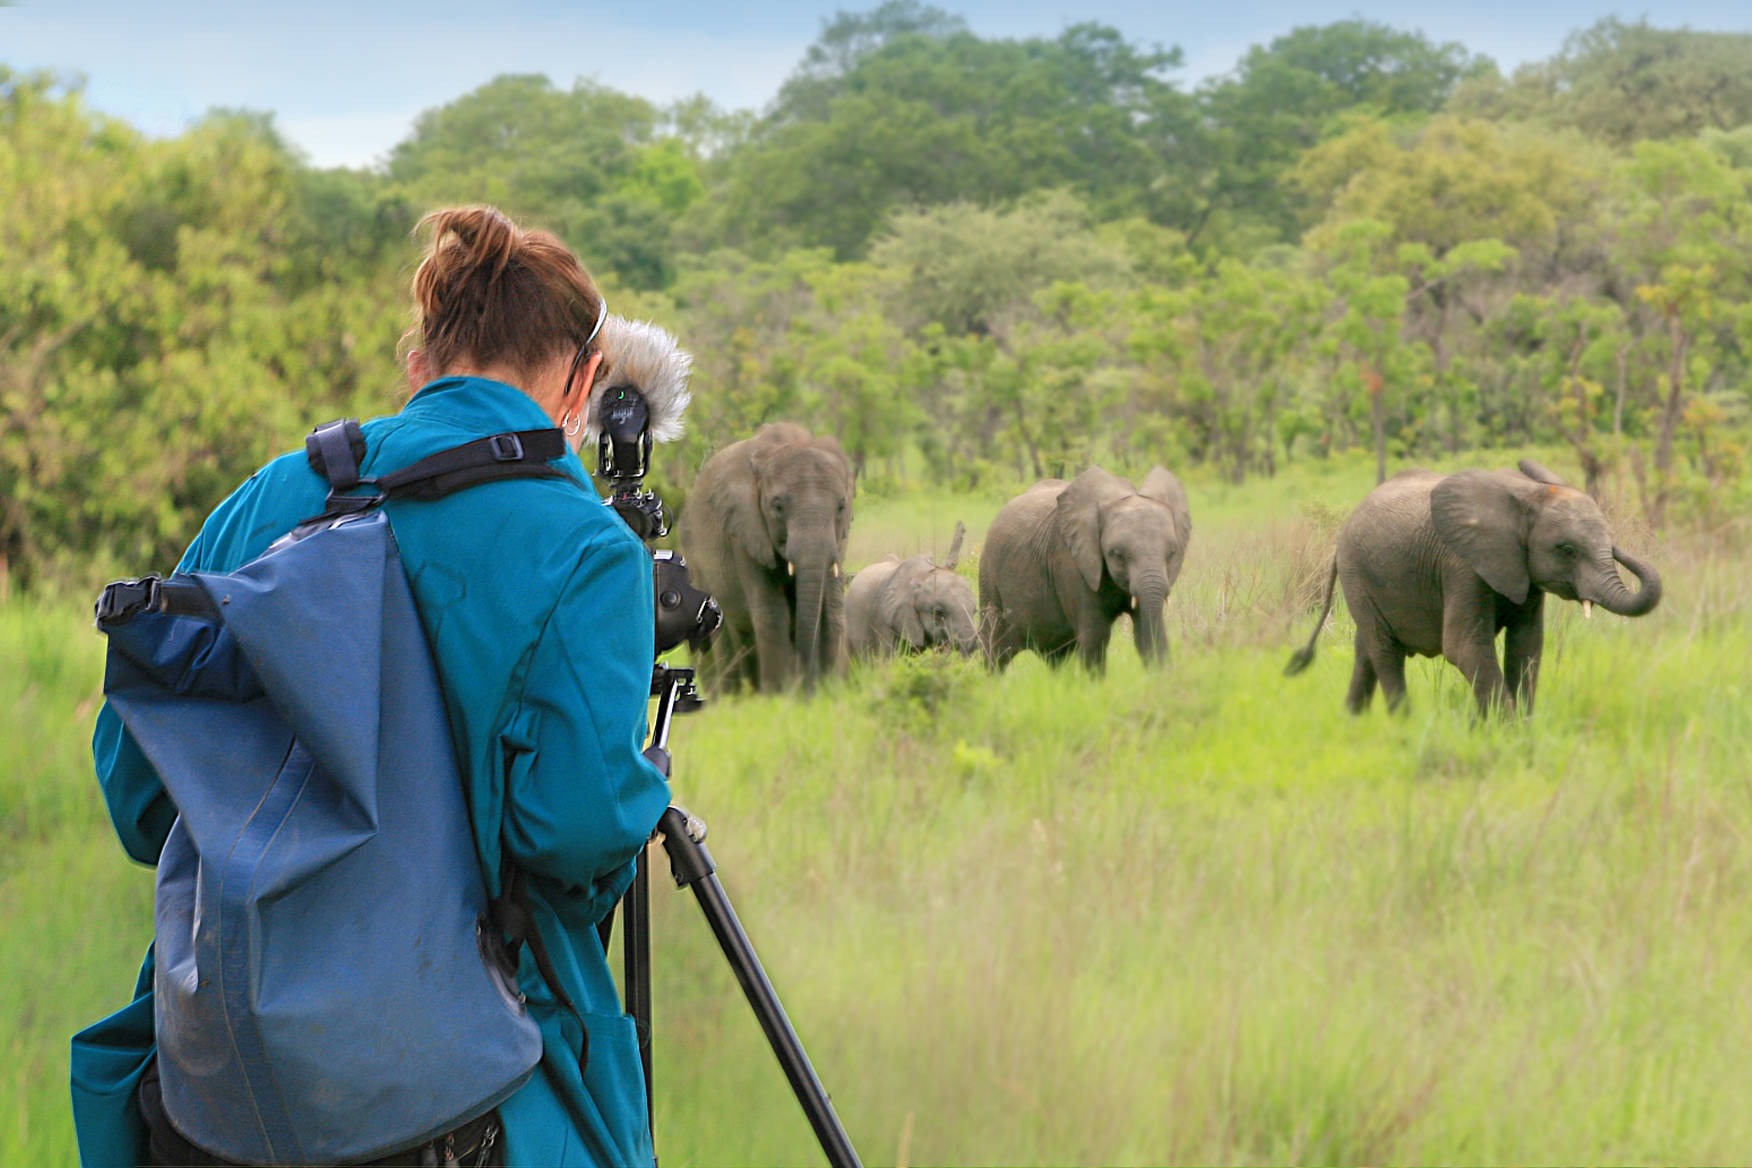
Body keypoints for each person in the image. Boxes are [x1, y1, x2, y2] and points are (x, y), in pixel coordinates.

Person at [70, 205, 670, 1167]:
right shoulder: (589, 548)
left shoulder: (272, 496)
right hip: (455, 1098)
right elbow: (575, 830)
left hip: (219, 1092)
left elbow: (137, 794)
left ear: (421, 362)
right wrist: (650, 776)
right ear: (584, 380)